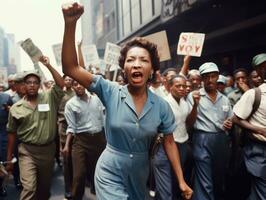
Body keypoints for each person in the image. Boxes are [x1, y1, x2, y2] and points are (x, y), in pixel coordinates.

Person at [61, 2, 192, 200]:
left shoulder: (162, 106)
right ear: (124, 68)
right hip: (109, 172)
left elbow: (170, 142)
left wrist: (181, 181)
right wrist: (70, 24)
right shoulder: (109, 90)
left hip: (140, 174)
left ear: (152, 69)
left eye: (143, 60)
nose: (136, 64)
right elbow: (71, 67)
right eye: (130, 60)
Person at [6, 56, 64, 200]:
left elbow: (61, 83)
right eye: (28, 82)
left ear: (39, 85)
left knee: (44, 191)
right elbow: (12, 134)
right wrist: (9, 158)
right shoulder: (15, 108)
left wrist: (48, 65)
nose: (32, 85)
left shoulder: (49, 97)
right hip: (27, 151)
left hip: (47, 151)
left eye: (35, 82)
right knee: (29, 188)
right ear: (24, 85)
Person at [186, 62, 233, 200]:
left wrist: (228, 124)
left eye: (213, 76)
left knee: (218, 178)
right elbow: (189, 122)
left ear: (218, 77)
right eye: (206, 77)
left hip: (221, 140)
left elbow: (229, 120)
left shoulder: (224, 99)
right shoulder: (194, 96)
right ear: (202, 79)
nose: (210, 80)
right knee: (204, 181)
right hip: (202, 139)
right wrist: (195, 105)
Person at [153, 75, 195, 200]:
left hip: (181, 145)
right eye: (178, 86)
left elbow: (187, 123)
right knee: (165, 187)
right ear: (170, 87)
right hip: (164, 147)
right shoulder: (163, 103)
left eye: (184, 86)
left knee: (176, 182)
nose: (182, 88)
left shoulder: (184, 102)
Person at [63, 80, 106, 199]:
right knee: (79, 175)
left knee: (99, 172)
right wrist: (67, 145)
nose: (78, 86)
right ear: (72, 87)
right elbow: (71, 127)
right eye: (75, 85)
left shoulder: (96, 99)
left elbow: (103, 120)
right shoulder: (70, 104)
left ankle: (100, 194)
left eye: (80, 83)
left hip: (99, 140)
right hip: (80, 141)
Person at [232, 53, 266, 200]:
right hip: (258, 151)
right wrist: (259, 129)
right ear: (258, 71)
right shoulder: (254, 94)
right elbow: (236, 118)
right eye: (263, 67)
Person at [57, 75, 75, 199]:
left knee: (76, 162)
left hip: (77, 130)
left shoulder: (76, 93)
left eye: (70, 79)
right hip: (63, 129)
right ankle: (67, 188)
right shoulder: (59, 94)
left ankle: (76, 186)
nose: (68, 81)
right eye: (66, 79)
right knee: (67, 161)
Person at [0, 92, 13, 196]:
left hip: (3, 134)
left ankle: (1, 186)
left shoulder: (6, 97)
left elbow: (14, 114)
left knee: (3, 163)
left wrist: (9, 109)